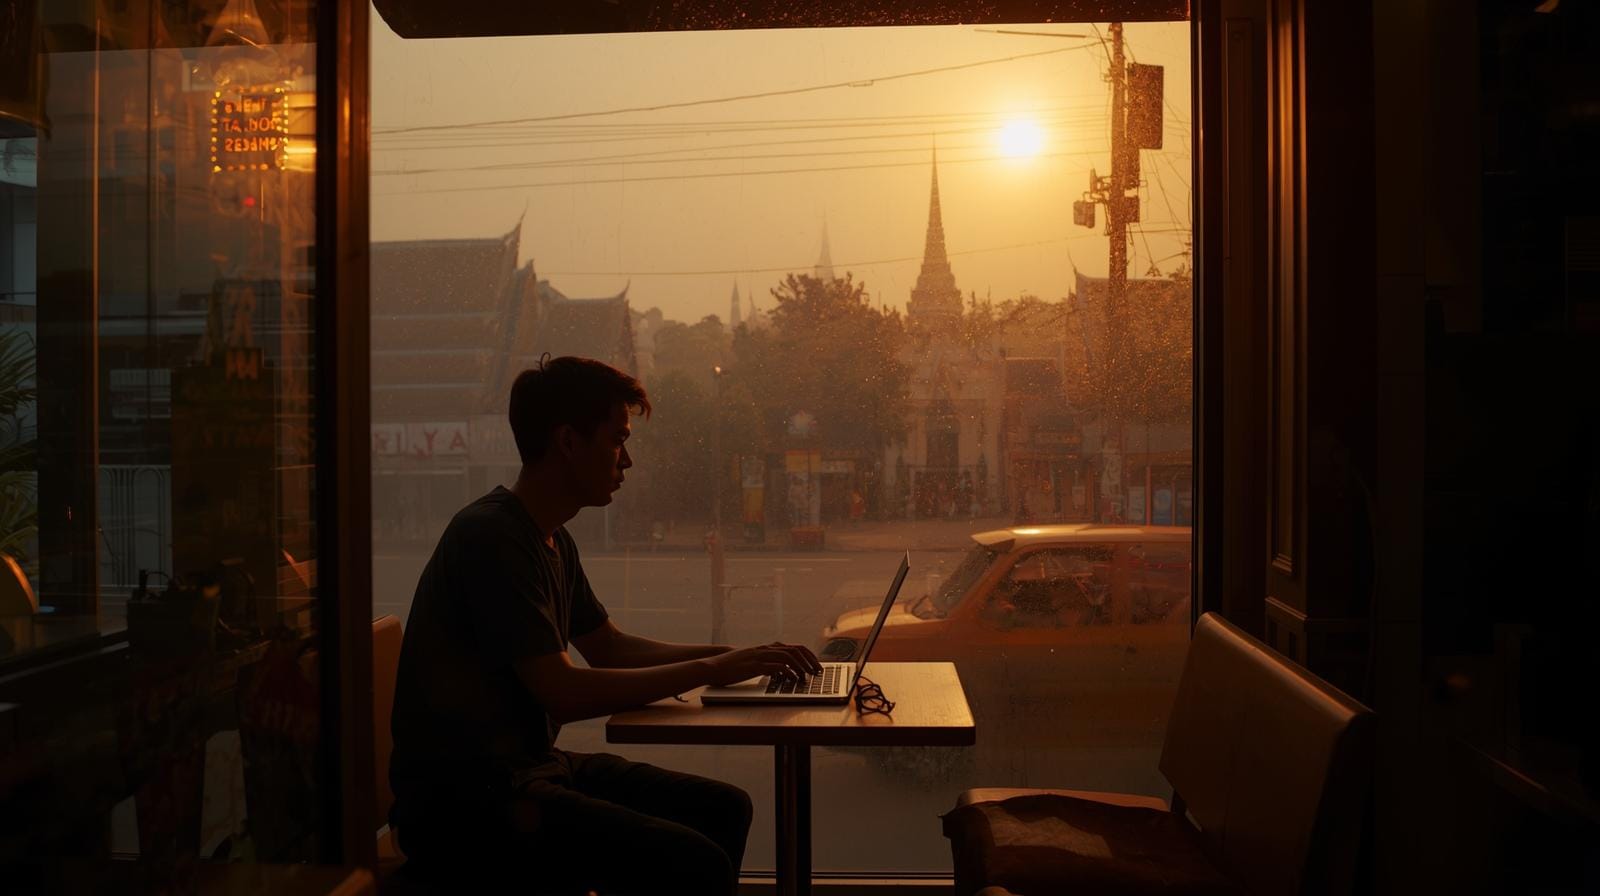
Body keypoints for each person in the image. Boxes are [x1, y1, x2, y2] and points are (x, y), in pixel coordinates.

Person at [388, 356, 822, 895]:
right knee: (695, 861)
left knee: (725, 808)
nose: (628, 460)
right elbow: (563, 694)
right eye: (618, 440)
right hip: (471, 800)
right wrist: (711, 667)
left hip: (529, 768)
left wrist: (740, 656)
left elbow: (610, 647)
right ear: (568, 441)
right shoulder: (491, 538)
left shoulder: (550, 538)